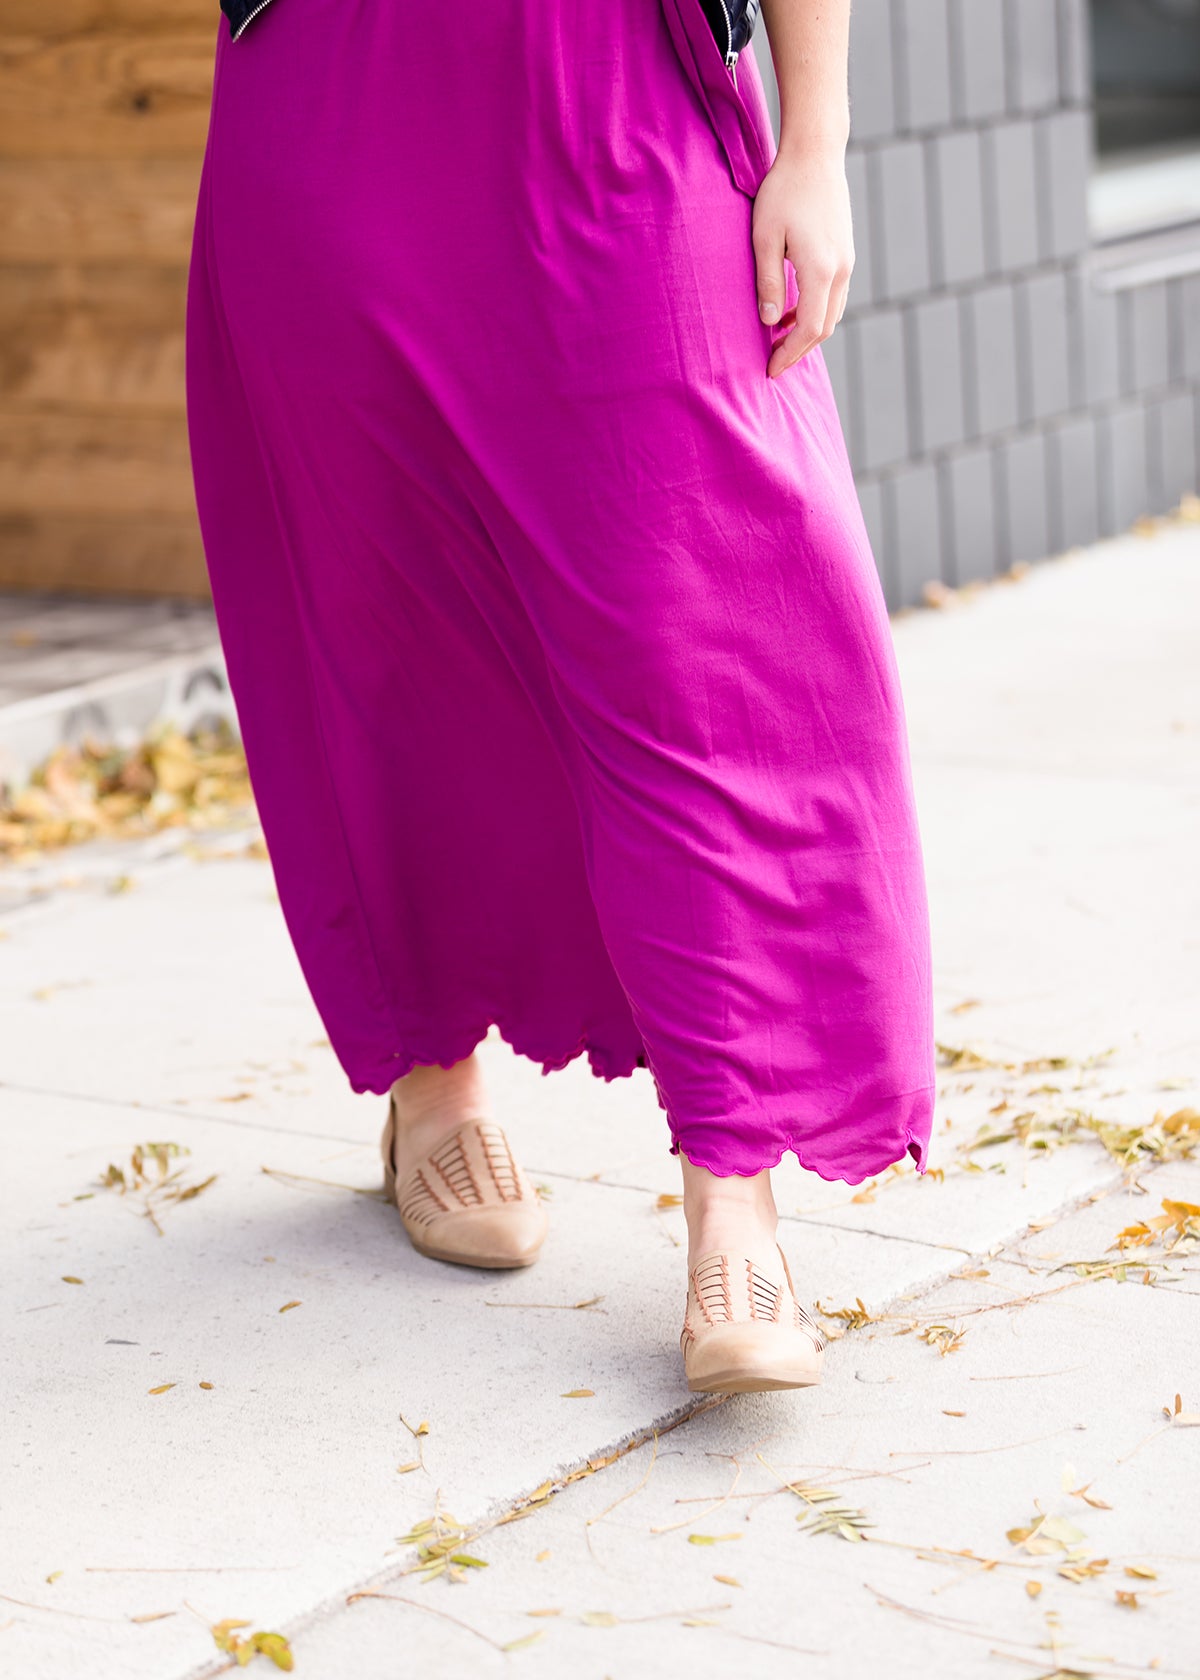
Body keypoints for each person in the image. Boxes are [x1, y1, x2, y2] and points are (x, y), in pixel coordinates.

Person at [185, 0, 936, 1396]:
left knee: (705, 650)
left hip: (618, 99)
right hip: (334, 106)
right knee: (384, 627)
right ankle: (432, 1078)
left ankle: (734, 1184)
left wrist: (816, 143)